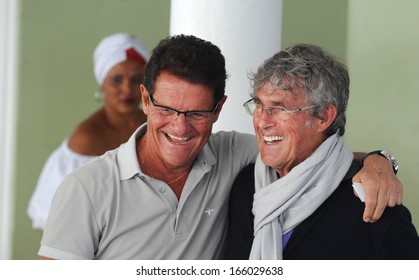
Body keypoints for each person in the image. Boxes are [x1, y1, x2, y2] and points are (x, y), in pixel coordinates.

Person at [39, 35, 402, 260]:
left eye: (196, 112)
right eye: (165, 109)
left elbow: (311, 154)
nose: (180, 127)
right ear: (146, 100)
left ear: (218, 109)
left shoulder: (237, 161)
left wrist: (377, 161)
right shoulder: (87, 189)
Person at [224, 43, 419, 259]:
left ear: (324, 117)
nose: (262, 121)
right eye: (259, 105)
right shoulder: (244, 185)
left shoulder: (371, 203)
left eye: (279, 109)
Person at [27, 33, 150, 230]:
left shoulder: (153, 125)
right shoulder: (87, 139)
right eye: (116, 80)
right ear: (102, 83)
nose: (127, 89)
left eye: (136, 80)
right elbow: (64, 223)